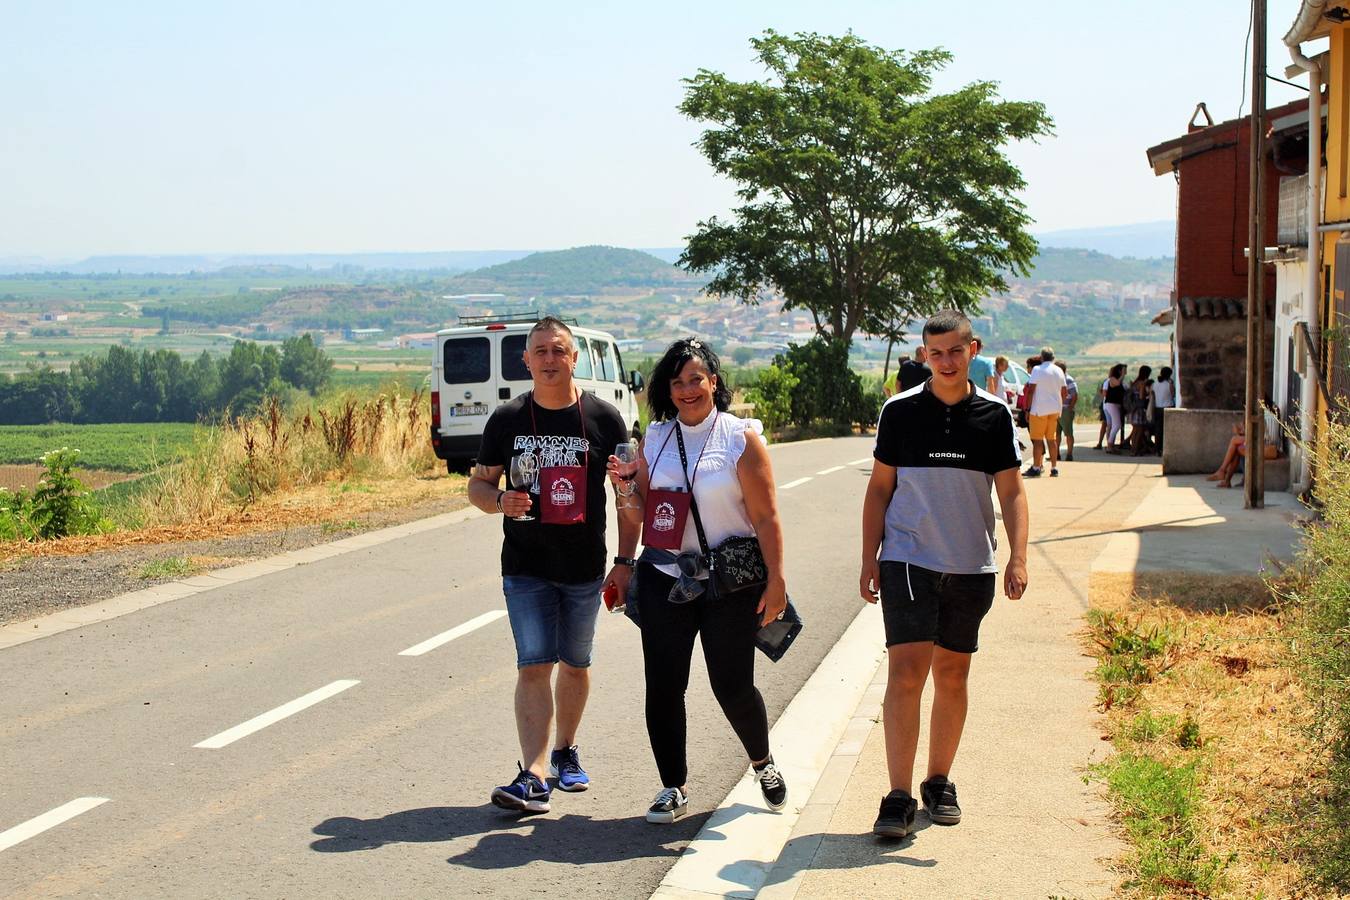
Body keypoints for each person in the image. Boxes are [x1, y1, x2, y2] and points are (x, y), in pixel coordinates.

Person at [860, 309, 1029, 839]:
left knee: (952, 675)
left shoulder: (996, 417)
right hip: (908, 559)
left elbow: (1012, 493)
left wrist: (1018, 557)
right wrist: (869, 557)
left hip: (970, 564)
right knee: (905, 674)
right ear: (924, 355)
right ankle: (897, 795)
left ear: (973, 349)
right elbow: (879, 490)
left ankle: (939, 782)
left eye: (955, 351)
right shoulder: (899, 413)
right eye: (936, 353)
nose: (946, 361)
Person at [607, 338, 789, 824]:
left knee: (731, 685)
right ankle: (673, 785)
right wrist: (624, 487)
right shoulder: (656, 438)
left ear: (713, 381)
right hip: (666, 575)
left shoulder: (739, 437)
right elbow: (640, 511)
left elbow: (767, 518)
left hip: (729, 583)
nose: (688, 390)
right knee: (663, 686)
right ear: (667, 389)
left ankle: (761, 761)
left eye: (696, 380)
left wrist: (777, 582)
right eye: (678, 382)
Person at [468, 316, 637, 815]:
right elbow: (478, 486)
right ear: (526, 360)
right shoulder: (507, 419)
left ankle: (565, 750)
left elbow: (628, 496)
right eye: (539, 351)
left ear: (574, 357)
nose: (548, 359)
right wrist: (500, 502)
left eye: (558, 350)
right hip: (525, 566)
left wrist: (626, 561)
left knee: (575, 663)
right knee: (534, 663)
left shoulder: (604, 419)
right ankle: (535, 774)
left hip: (585, 567)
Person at [1022, 348, 1069, 477]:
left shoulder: (1037, 370)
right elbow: (1065, 392)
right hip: (1054, 410)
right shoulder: (1058, 370)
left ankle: (1036, 467)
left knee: (1037, 440)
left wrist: (1028, 408)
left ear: (1042, 358)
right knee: (1051, 439)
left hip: (1039, 409)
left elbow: (1031, 390)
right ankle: (1054, 468)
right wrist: (1058, 403)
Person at [1208, 408, 1280, 488]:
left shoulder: (1260, 415)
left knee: (1235, 441)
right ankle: (1225, 477)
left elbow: (1257, 436)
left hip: (1268, 448)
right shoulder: (1265, 413)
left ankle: (1223, 473)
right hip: (1264, 444)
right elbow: (1254, 434)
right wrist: (1241, 432)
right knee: (1237, 447)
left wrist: (1238, 433)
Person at [1126, 365, 1154, 456]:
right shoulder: (1142, 383)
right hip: (1139, 410)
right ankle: (1135, 450)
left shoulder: (1135, 382)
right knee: (1139, 430)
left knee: (1135, 430)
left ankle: (1133, 450)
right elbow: (1142, 397)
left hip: (1132, 409)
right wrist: (1148, 393)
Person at [1054, 360, 1077, 462]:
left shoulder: (1069, 380)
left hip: (1065, 409)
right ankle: (1056, 454)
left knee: (1068, 433)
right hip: (1055, 409)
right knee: (1056, 434)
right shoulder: (1056, 379)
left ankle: (1069, 454)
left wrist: (1070, 407)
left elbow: (1075, 395)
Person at [1101, 364, 1127, 453]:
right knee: (1117, 425)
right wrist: (1123, 375)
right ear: (1119, 371)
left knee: (1112, 425)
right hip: (1112, 404)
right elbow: (1117, 383)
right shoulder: (1112, 379)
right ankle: (1110, 444)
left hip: (1114, 404)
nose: (1125, 371)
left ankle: (1110, 445)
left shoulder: (1119, 380)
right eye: (1124, 370)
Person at [1152, 366, 1175, 454]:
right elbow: (1173, 395)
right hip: (1168, 407)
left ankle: (1157, 448)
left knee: (1158, 430)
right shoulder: (1169, 384)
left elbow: (1153, 394)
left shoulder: (1155, 383)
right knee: (1167, 430)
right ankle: (1166, 448)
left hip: (1157, 408)